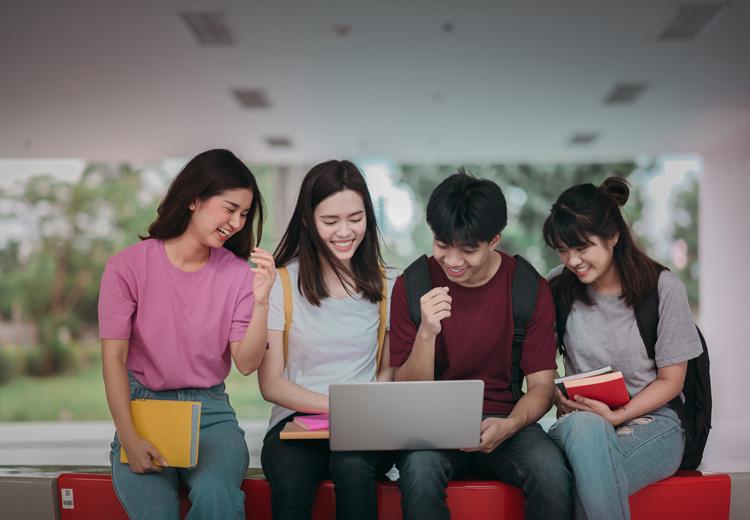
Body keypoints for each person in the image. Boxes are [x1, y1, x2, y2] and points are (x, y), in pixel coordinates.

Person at [98, 149, 276, 519]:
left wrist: (261, 303)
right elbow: (113, 358)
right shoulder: (126, 268)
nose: (237, 222)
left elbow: (245, 363)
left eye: (244, 214)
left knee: (217, 498)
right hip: (143, 410)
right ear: (194, 198)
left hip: (211, 414)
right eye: (230, 208)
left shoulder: (240, 276)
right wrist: (129, 435)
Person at [389, 170, 573, 520]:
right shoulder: (412, 286)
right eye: (443, 245)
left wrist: (509, 425)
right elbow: (406, 392)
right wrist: (427, 332)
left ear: (495, 241)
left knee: (550, 472)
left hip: (508, 421)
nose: (454, 261)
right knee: (418, 472)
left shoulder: (528, 288)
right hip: (433, 426)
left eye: (469, 249)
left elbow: (541, 388)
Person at [542, 177, 703, 520]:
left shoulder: (663, 288)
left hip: (654, 422)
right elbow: (540, 361)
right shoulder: (558, 286)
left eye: (581, 247)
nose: (573, 260)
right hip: (580, 421)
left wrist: (617, 415)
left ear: (613, 236)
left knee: (586, 483)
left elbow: (671, 380)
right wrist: (559, 395)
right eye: (563, 249)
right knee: (589, 434)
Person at [258, 160, 397, 520]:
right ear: (307, 220)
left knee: (354, 467)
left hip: (363, 426)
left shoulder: (387, 286)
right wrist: (337, 406)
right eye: (330, 221)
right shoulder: (281, 283)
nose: (345, 232)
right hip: (294, 424)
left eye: (355, 218)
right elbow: (271, 385)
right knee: (291, 487)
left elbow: (389, 371)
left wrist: (361, 406)